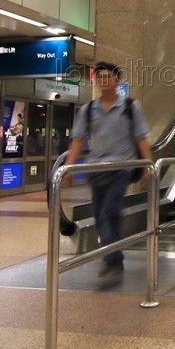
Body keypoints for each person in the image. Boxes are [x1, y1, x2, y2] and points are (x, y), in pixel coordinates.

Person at [65, 62, 152, 279]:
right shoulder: (87, 111)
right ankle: (114, 257)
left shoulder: (131, 107)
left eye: (108, 77)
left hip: (121, 168)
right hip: (95, 169)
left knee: (109, 211)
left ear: (117, 81)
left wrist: (149, 165)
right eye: (100, 77)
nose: (103, 81)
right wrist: (68, 168)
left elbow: (141, 138)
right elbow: (77, 141)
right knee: (100, 214)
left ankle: (112, 259)